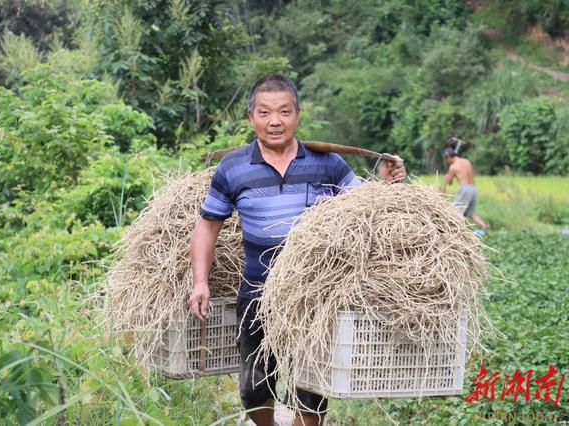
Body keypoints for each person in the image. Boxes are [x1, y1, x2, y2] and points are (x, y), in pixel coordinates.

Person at [189, 75, 406, 426]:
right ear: (251, 118)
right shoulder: (233, 167)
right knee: (254, 385)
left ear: (297, 114)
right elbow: (208, 224)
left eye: (284, 112)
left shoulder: (328, 163)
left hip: (314, 296)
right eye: (265, 112)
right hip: (257, 290)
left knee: (311, 387)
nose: (275, 121)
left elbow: (368, 211)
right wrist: (200, 280)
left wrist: (389, 185)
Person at [443, 147, 488, 230]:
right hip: (473, 188)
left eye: (446, 159)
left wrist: (447, 177)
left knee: (455, 212)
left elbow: (449, 182)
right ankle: (484, 226)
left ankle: (457, 231)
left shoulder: (453, 167)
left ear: (448, 157)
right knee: (470, 213)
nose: (447, 162)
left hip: (465, 189)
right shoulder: (466, 161)